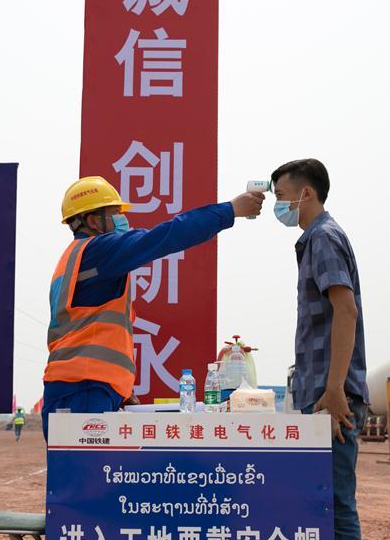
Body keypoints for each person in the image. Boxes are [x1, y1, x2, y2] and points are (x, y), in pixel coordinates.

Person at [42, 176, 264, 441]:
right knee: (82, 467)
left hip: (82, 387)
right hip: (84, 389)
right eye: (115, 213)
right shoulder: (98, 251)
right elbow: (166, 236)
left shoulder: (73, 260)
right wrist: (230, 210)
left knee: (78, 466)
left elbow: (87, 331)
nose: (123, 220)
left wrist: (119, 388)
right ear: (93, 221)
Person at [270, 159, 369, 540]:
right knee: (322, 501)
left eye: (281, 196)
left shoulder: (324, 237)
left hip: (332, 396)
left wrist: (334, 389)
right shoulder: (315, 240)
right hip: (321, 391)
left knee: (336, 503)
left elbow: (346, 311)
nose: (278, 205)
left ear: (306, 193)